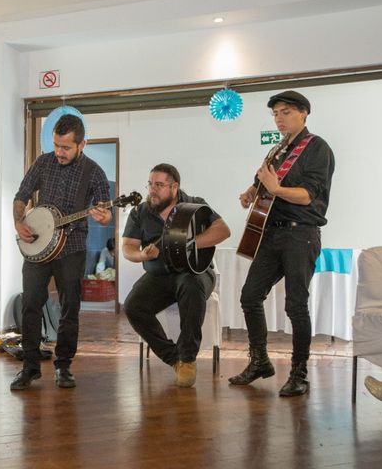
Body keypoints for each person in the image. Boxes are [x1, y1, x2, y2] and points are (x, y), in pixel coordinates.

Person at [228, 90, 335, 396]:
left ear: (304, 113)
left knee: (295, 306)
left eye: (286, 112)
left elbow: (308, 195)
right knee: (250, 296)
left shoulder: (317, 148)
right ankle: (260, 361)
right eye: (275, 114)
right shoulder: (276, 150)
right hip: (271, 233)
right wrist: (251, 192)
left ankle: (299, 373)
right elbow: (263, 183)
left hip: (301, 233)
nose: (279, 119)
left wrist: (276, 189)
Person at [11, 114, 112, 390]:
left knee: (70, 308)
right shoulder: (43, 162)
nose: (59, 152)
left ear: (82, 144)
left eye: (66, 147)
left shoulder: (94, 172)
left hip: (72, 248)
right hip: (38, 245)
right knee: (30, 303)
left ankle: (63, 365)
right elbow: (21, 196)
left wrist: (103, 216)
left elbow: (106, 213)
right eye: (56, 145)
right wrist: (19, 222)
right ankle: (29, 367)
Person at [122, 163, 230, 387]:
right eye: (150, 184)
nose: (152, 190)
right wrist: (142, 255)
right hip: (159, 275)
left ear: (174, 187)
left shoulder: (195, 205)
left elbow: (223, 230)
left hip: (194, 272)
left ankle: (188, 358)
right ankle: (175, 359)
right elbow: (128, 248)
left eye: (159, 185)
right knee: (133, 305)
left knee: (190, 285)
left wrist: (187, 244)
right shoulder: (140, 212)